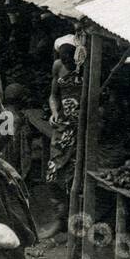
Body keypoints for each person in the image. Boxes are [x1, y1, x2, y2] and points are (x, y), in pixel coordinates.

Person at [44, 35, 82, 237]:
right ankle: (59, 219)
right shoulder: (58, 66)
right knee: (53, 173)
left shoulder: (85, 69)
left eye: (70, 59)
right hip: (62, 128)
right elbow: (53, 95)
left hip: (80, 130)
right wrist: (54, 112)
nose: (67, 62)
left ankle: (74, 222)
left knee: (74, 177)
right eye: (63, 58)